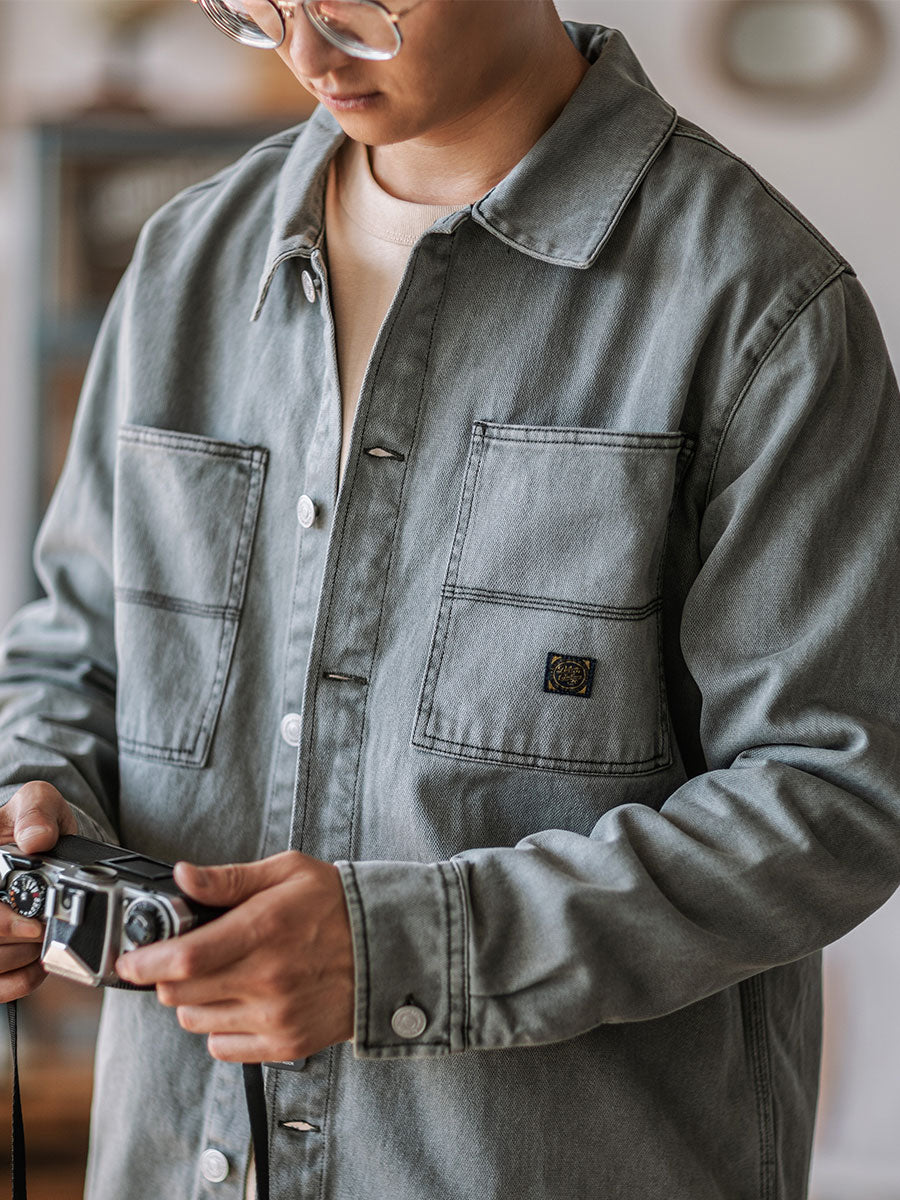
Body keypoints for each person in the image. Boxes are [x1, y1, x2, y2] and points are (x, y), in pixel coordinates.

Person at [1, 2, 899, 1197]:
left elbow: (835, 793)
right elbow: (72, 651)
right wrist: (28, 806)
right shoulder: (185, 264)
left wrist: (400, 958)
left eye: (358, 9)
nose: (308, 59)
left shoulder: (760, 307)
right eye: (259, 8)